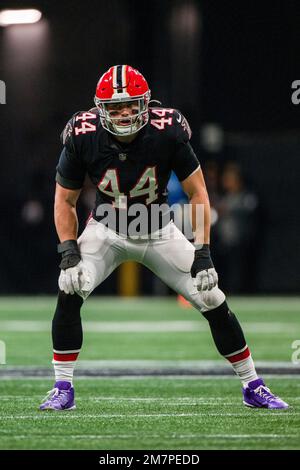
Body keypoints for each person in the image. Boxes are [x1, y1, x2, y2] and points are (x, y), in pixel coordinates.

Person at [40, 65, 288, 410]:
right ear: (100, 110)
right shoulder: (83, 135)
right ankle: (62, 388)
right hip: (106, 230)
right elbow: (63, 200)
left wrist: (203, 252)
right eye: (115, 107)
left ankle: (252, 385)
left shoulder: (167, 131)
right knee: (68, 288)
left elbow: (199, 194)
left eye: (130, 105)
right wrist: (69, 251)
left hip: (159, 231)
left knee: (213, 299)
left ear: (146, 104)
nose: (124, 113)